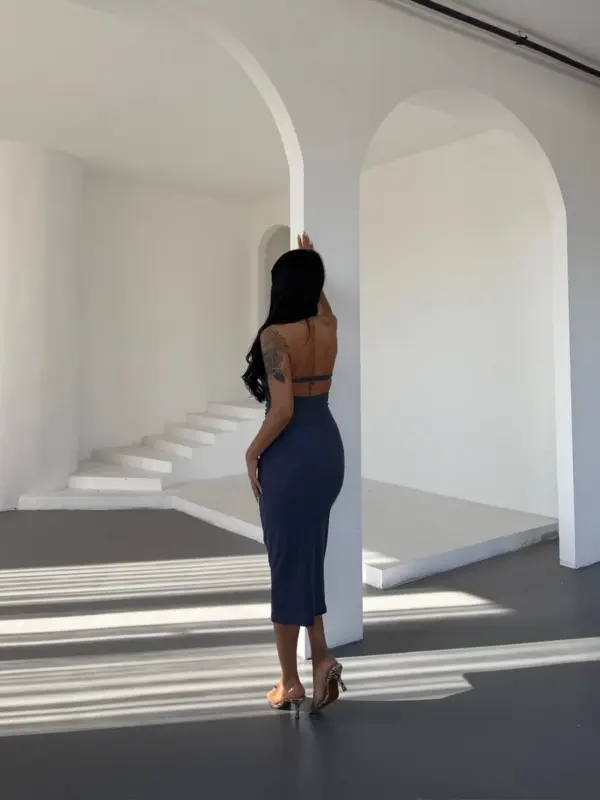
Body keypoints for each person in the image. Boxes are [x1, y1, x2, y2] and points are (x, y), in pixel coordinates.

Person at [242, 232, 346, 717]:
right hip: (327, 451)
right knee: (307, 560)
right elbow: (321, 303)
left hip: (291, 456)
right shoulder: (328, 326)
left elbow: (282, 410)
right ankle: (321, 658)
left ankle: (289, 683)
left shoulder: (275, 337)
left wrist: (251, 453)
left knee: (287, 566)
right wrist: (311, 262)